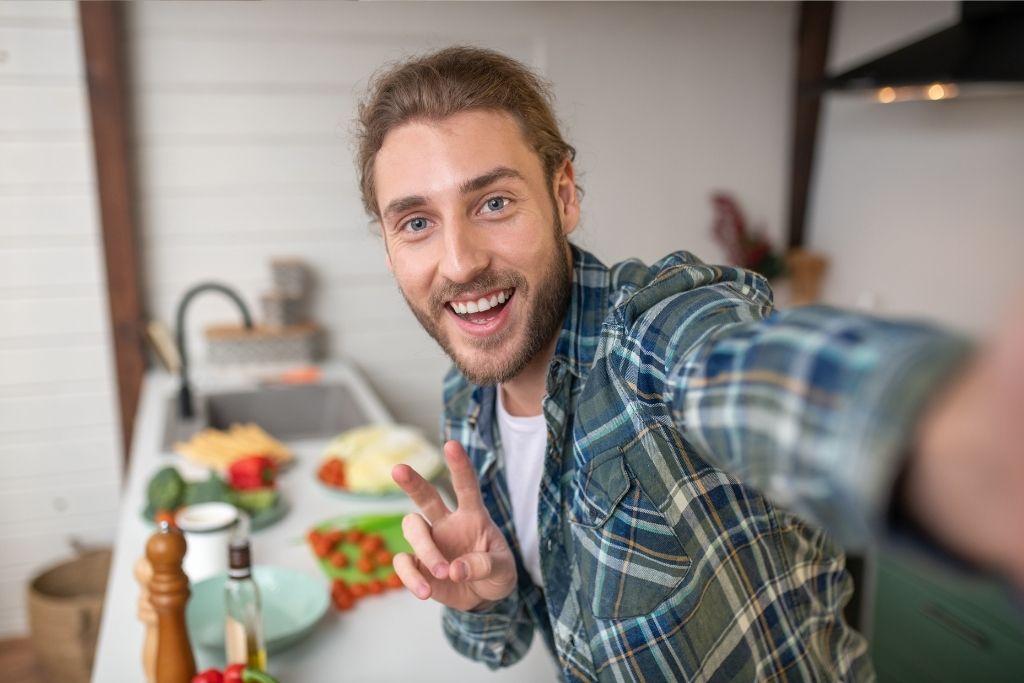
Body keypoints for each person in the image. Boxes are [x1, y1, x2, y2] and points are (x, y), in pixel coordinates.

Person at [353, 46, 1024, 681]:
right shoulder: (465, 401)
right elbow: (503, 643)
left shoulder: (653, 329)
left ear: (563, 197)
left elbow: (744, 370)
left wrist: (955, 432)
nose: (461, 260)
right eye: (416, 222)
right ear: (388, 247)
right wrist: (482, 593)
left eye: (493, 202)